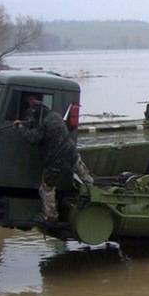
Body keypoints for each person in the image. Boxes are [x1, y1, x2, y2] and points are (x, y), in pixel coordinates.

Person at [15, 94, 94, 225]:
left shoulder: (44, 123)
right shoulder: (56, 117)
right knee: (85, 177)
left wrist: (20, 127)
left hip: (56, 160)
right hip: (71, 153)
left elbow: (33, 138)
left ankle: (51, 216)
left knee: (46, 188)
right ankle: (96, 194)